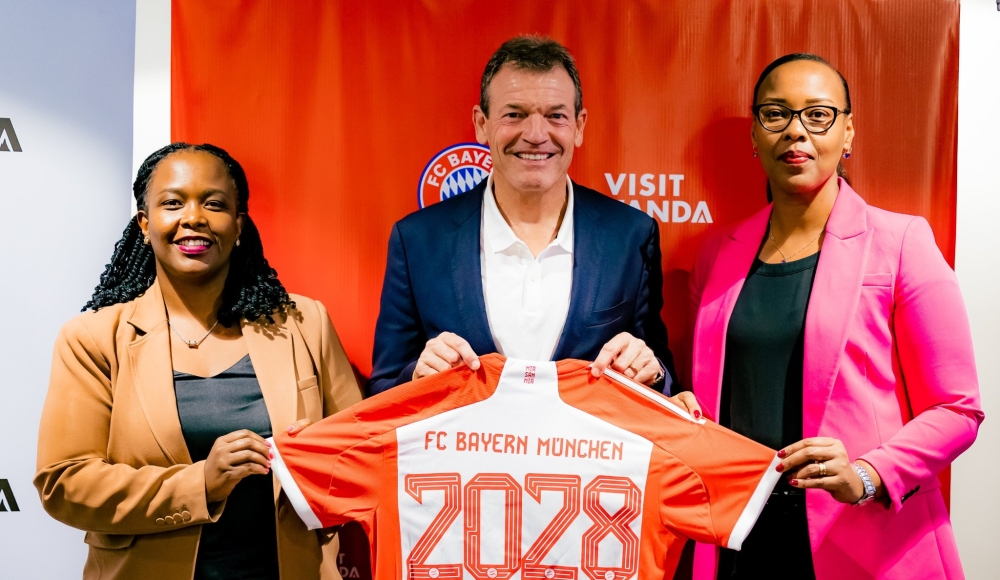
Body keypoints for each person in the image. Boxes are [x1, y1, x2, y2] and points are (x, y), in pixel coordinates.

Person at [689, 54, 983, 579]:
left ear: (847, 132)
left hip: (861, 539)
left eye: (818, 115)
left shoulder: (901, 243)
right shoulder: (717, 253)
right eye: (775, 114)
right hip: (739, 536)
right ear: (754, 135)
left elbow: (957, 409)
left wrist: (867, 474)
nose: (795, 130)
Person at [35, 143, 362, 580]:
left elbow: (361, 454)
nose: (194, 217)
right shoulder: (94, 338)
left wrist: (316, 458)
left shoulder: (305, 323)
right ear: (144, 223)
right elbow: (65, 483)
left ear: (239, 224)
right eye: (173, 203)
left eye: (214, 204)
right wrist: (200, 483)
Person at [370, 36, 688, 401]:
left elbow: (660, 379)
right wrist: (417, 375)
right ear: (481, 124)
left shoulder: (631, 236)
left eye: (556, 116)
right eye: (514, 114)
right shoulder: (418, 240)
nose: (536, 135)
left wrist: (653, 373)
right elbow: (382, 389)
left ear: (579, 126)